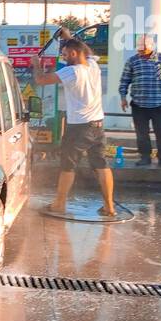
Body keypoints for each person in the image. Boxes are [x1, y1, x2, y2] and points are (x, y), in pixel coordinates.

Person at [32, 37, 117, 218]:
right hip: (98, 125)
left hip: (79, 127)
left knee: (67, 166)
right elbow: (84, 50)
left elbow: (41, 80)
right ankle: (109, 207)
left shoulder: (72, 72)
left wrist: (36, 64)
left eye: (64, 54)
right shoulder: (93, 66)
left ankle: (59, 204)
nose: (63, 58)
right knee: (101, 164)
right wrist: (68, 37)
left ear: (74, 53)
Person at [119, 33, 161, 167]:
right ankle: (145, 156)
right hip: (139, 105)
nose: (140, 51)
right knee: (142, 133)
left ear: (151, 47)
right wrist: (123, 97)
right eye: (139, 48)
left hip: (159, 103)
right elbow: (125, 80)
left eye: (143, 48)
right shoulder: (132, 61)